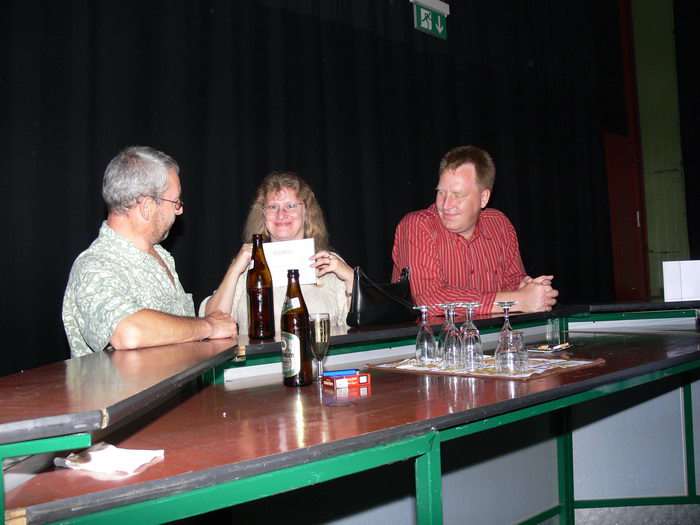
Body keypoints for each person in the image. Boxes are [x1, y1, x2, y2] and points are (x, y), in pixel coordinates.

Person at [63, 146, 236, 357]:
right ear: (147, 206)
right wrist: (208, 326)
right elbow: (127, 333)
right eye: (176, 201)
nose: (179, 210)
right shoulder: (94, 266)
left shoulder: (161, 256)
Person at [392, 145, 558, 314]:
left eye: (458, 195)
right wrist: (516, 300)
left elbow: (513, 281)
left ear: (484, 198)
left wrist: (529, 288)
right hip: (431, 339)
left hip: (489, 337)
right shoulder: (417, 226)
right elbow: (428, 298)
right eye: (441, 192)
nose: (445, 205)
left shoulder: (499, 224)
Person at [200, 171, 354, 333]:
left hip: (319, 358)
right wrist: (234, 270)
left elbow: (355, 327)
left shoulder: (329, 264)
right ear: (263, 214)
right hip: (262, 358)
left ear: (307, 213)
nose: (281, 214)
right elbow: (212, 323)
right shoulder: (247, 266)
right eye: (273, 207)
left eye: (291, 206)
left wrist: (351, 278)